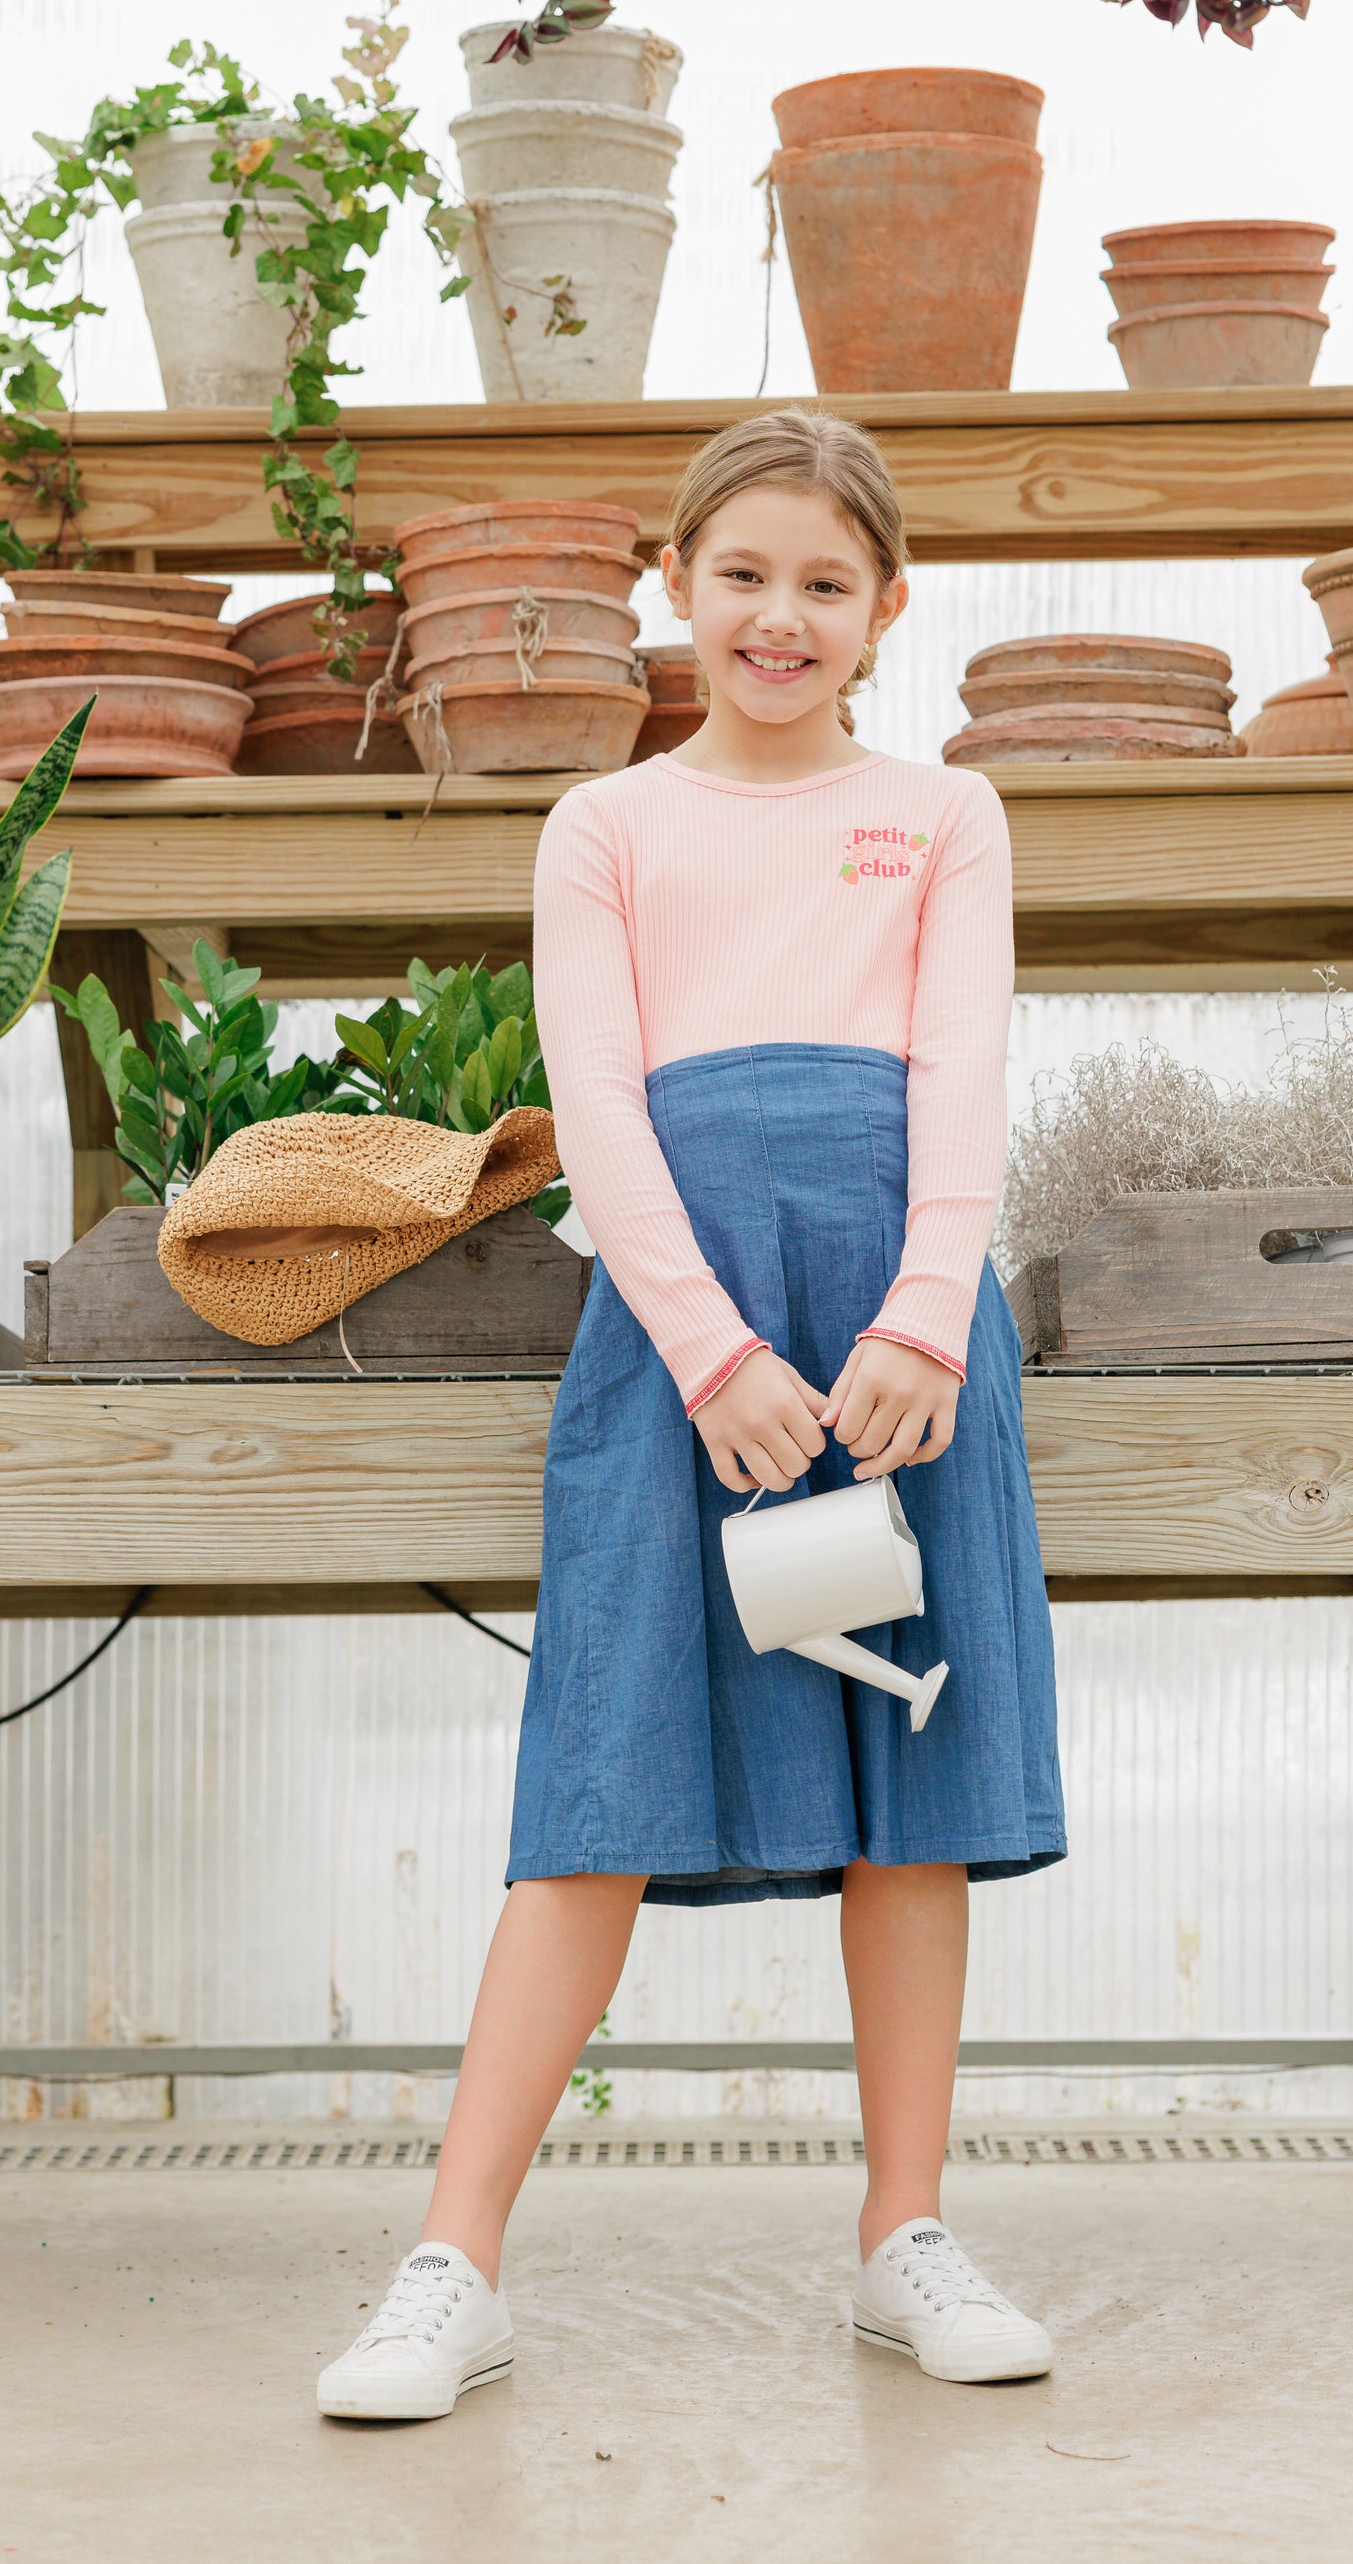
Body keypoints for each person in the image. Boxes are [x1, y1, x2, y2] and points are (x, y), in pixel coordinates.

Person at [317, 407, 1065, 2422]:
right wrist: (714, 1352)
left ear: (887, 603)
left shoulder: (946, 813)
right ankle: (451, 2263)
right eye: (743, 572)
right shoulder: (606, 825)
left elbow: (963, 1068)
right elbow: (603, 1106)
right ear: (677, 579)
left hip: (899, 1349)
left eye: (825, 580)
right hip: (684, 1352)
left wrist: (924, 1318)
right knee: (604, 1779)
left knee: (911, 1785)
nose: (779, 615)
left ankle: (905, 2230)